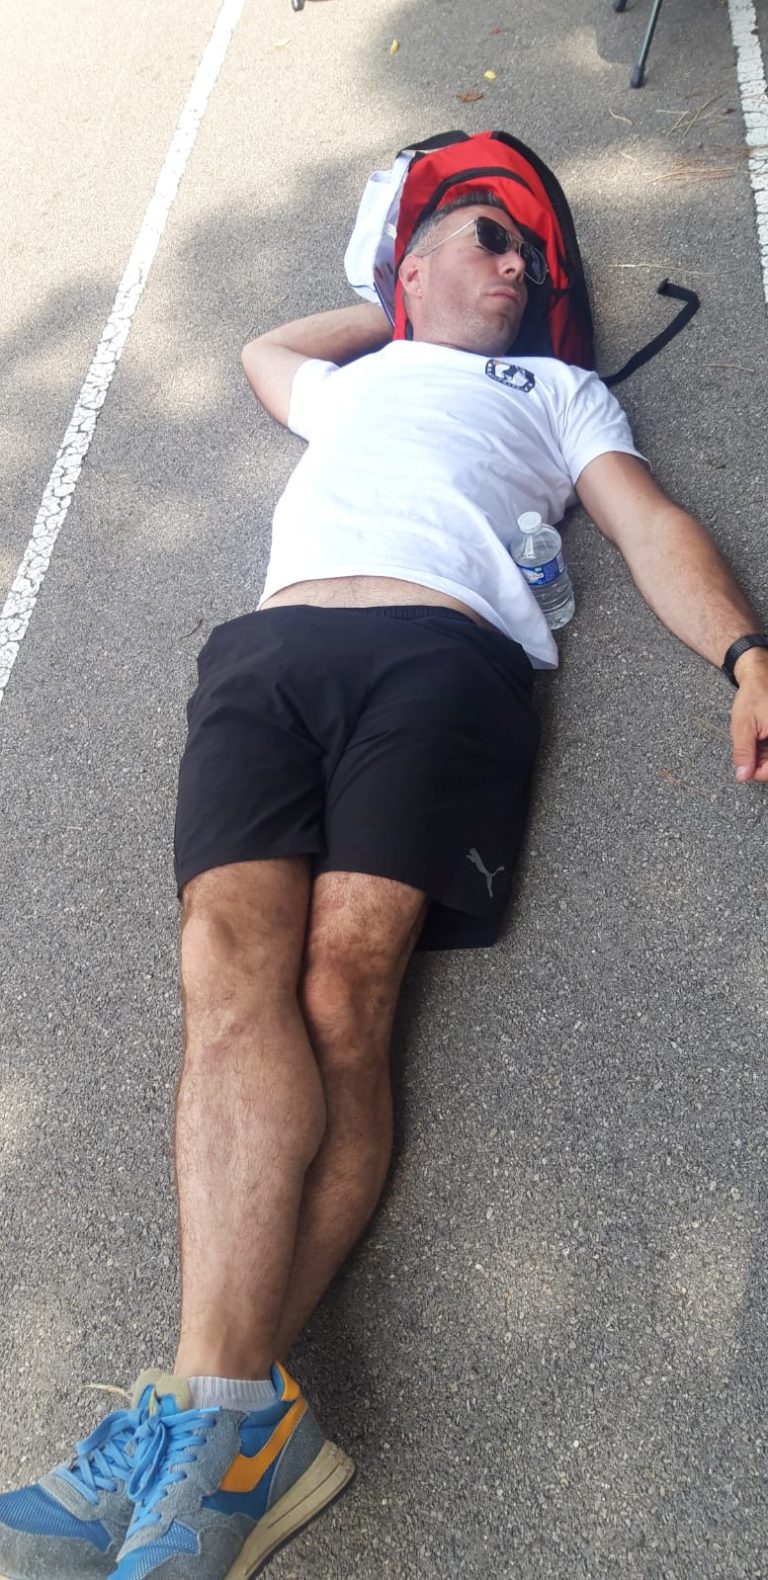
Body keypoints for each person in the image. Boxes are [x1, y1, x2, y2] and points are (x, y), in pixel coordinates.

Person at [2, 192, 767, 1580]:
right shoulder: (354, 380)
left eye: (529, 250)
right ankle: (235, 1430)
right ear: (412, 267)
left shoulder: (561, 391)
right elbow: (263, 352)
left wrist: (744, 653)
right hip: (271, 653)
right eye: (487, 238)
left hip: (442, 652)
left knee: (342, 990)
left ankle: (189, 1421)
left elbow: (649, 525)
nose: (518, 262)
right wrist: (389, 300)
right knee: (222, 977)